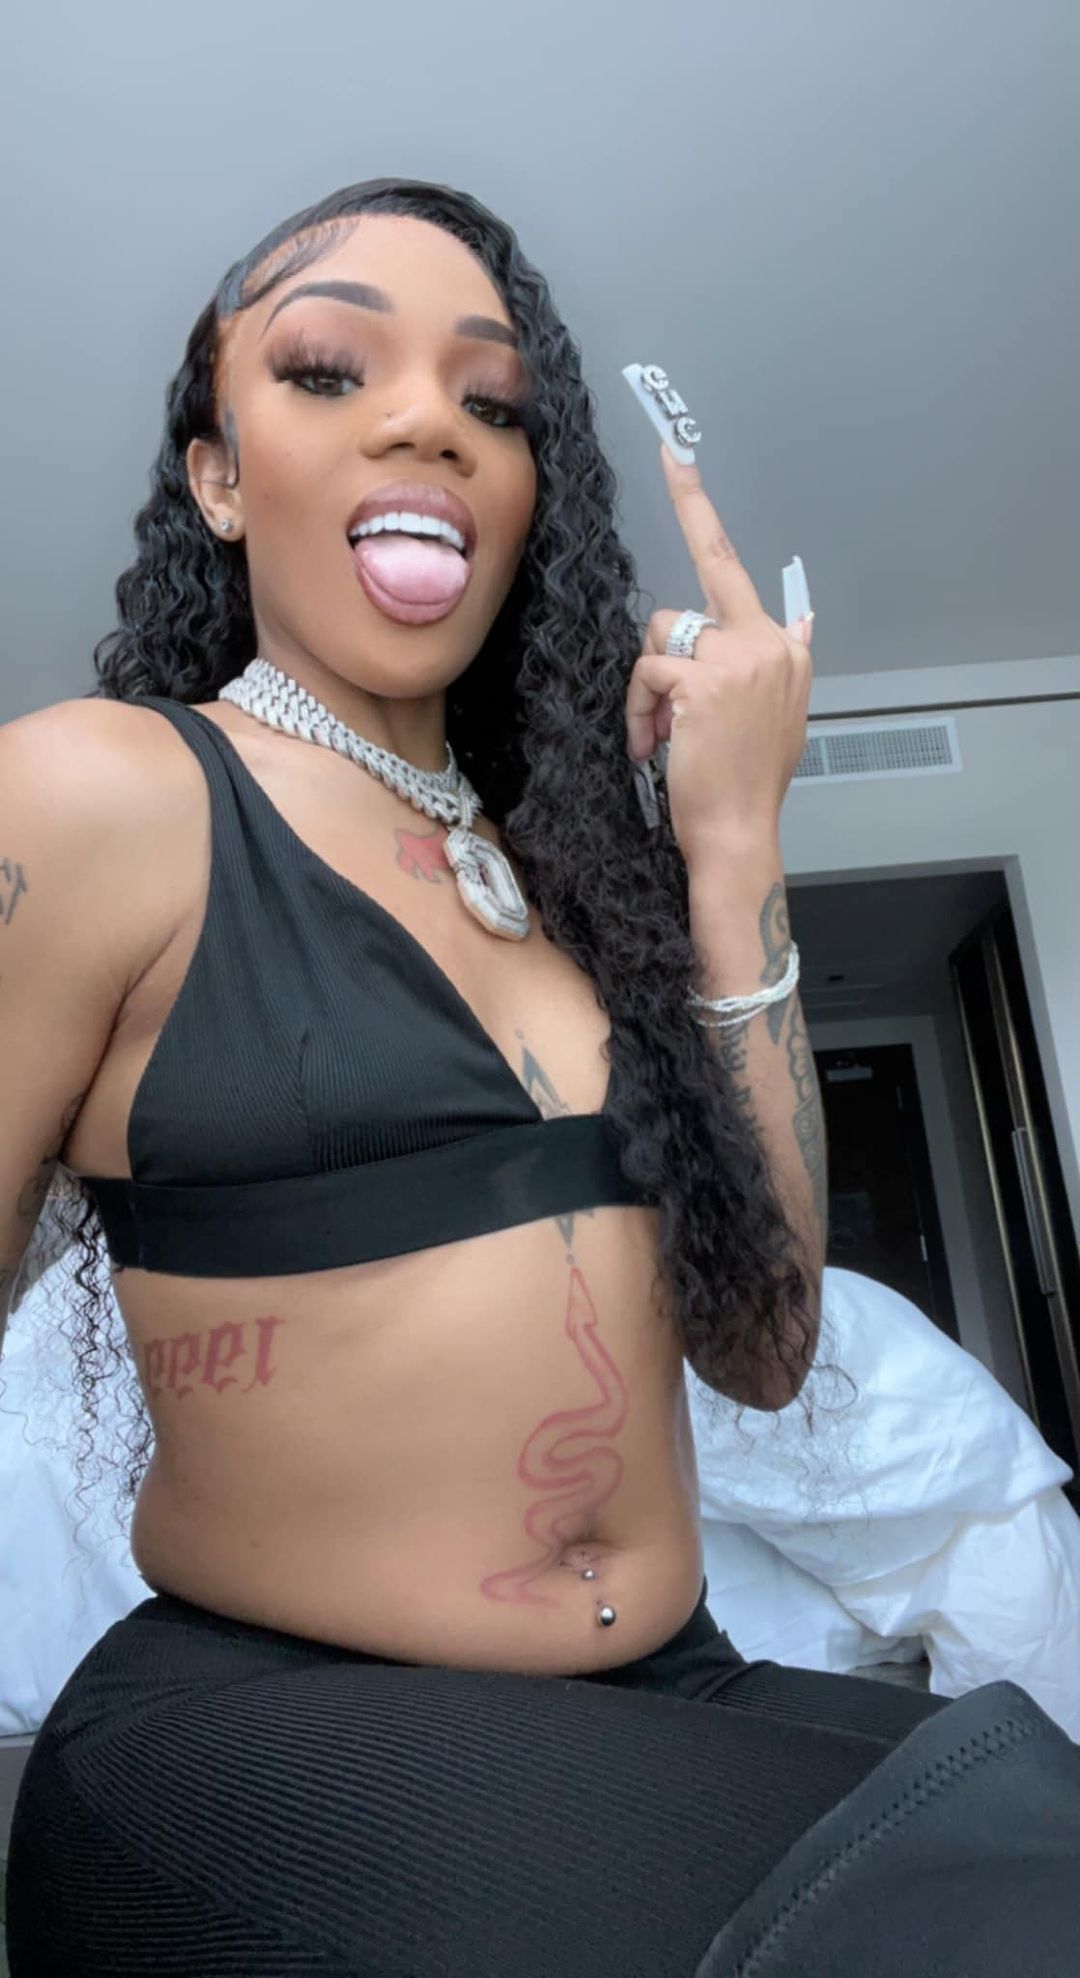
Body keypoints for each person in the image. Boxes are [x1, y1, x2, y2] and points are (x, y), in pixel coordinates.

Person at [2, 177, 1078, 1978]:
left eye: (490, 400)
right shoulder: (100, 794)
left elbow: (765, 1345)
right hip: (278, 1738)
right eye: (330, 368)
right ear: (216, 479)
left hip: (669, 1692)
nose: (429, 418)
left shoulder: (578, 883)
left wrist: (729, 850)